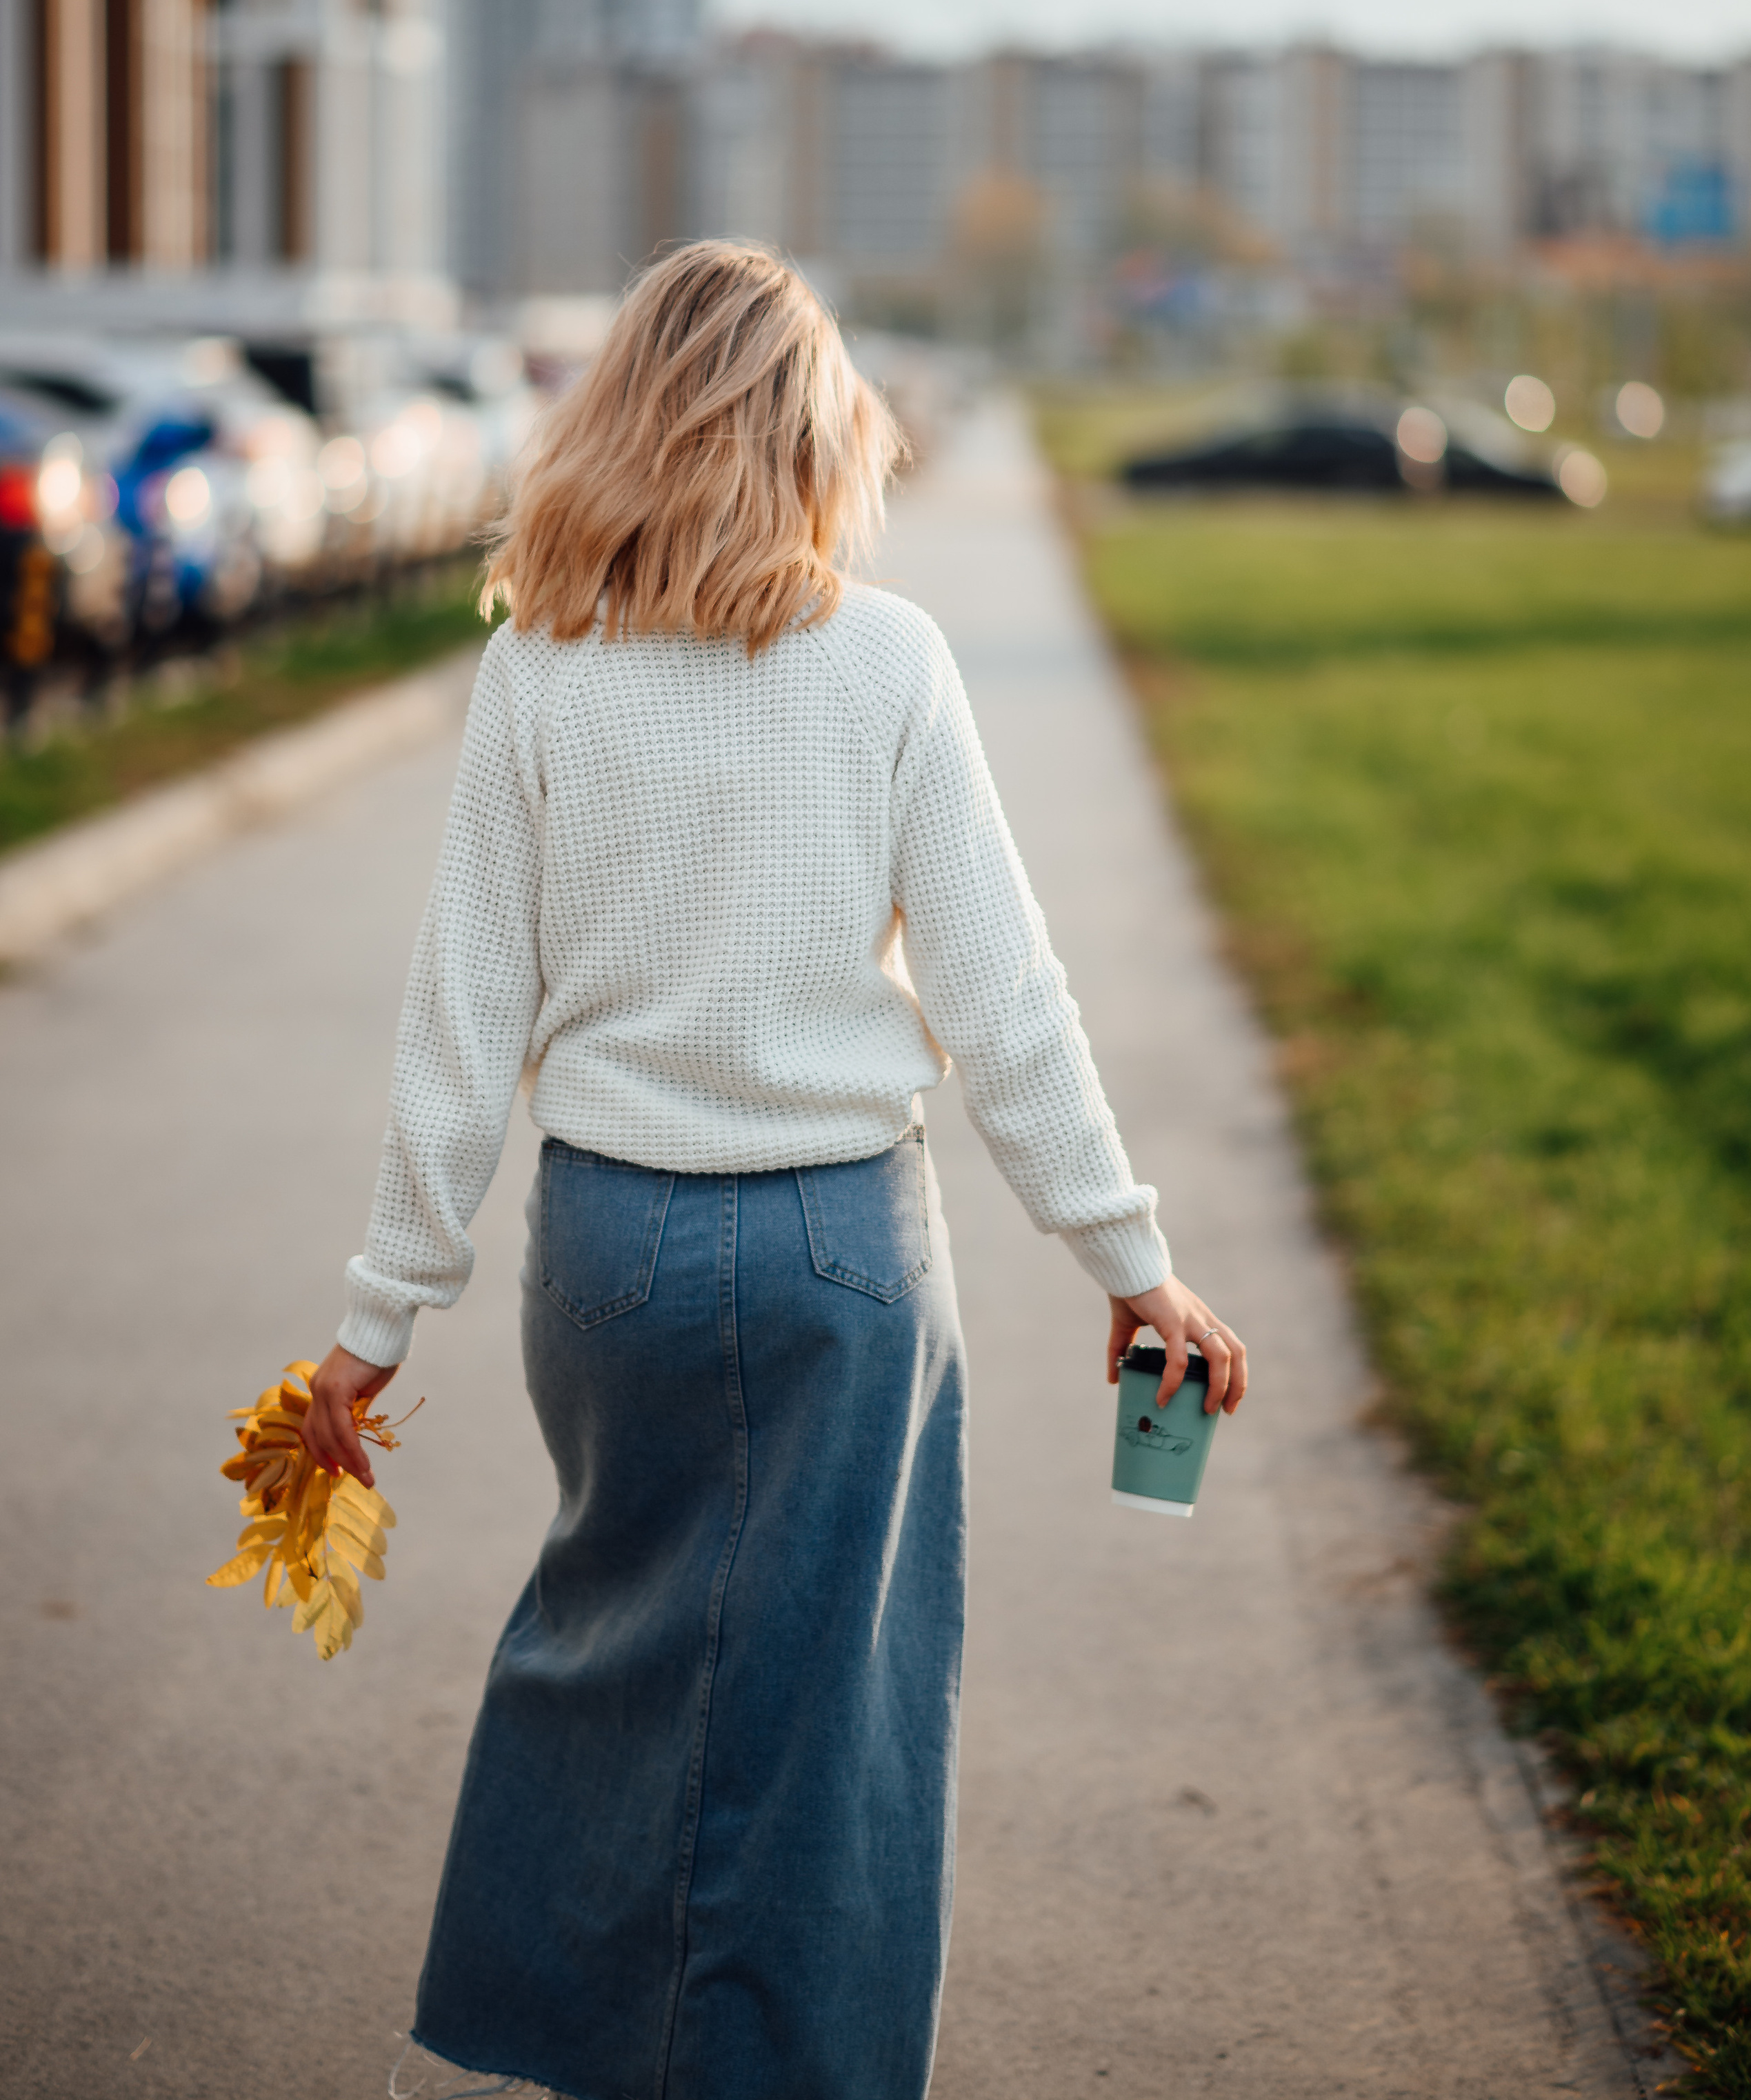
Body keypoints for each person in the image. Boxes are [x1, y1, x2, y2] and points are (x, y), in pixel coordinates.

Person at [301, 239, 1248, 2100]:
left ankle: (582, 2042)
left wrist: (373, 1322)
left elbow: (459, 1021)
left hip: (609, 1253)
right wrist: (1132, 1260)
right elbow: (1003, 996)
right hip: (841, 1260)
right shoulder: (887, 661)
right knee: (834, 1723)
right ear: (824, 436)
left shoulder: (538, 669)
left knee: (613, 1646)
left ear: (623, 419)